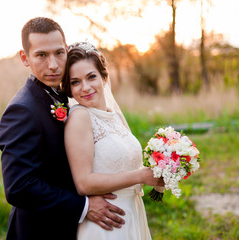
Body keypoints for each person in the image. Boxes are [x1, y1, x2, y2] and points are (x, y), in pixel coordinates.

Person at [0, 17, 125, 240]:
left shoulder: (66, 94)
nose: (53, 65)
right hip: (39, 231)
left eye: (58, 53)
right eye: (41, 55)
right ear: (24, 58)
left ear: (66, 50)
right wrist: (83, 206)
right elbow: (19, 187)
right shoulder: (22, 110)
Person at [62, 42, 165, 239]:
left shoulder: (114, 116)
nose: (85, 88)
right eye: (75, 82)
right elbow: (83, 183)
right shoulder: (80, 117)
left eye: (91, 77)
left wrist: (162, 169)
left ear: (104, 77)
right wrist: (141, 176)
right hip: (106, 224)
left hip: (132, 212)